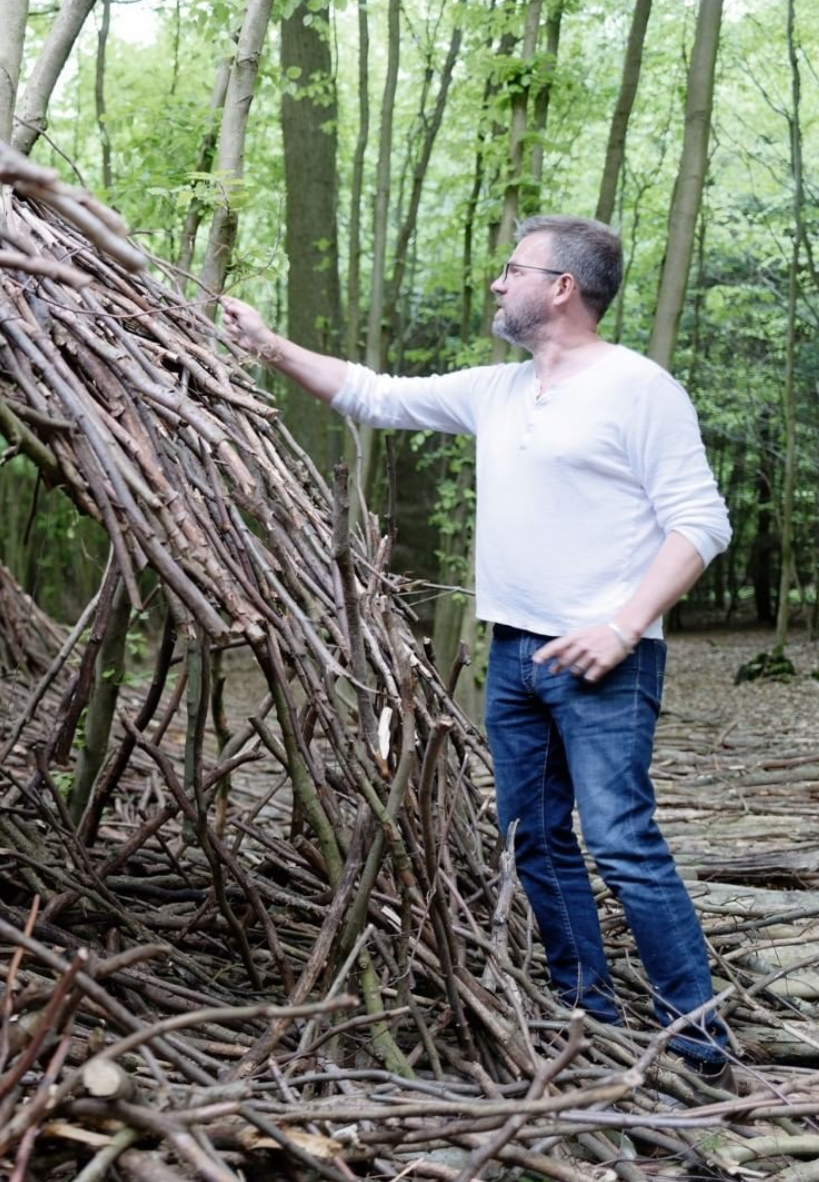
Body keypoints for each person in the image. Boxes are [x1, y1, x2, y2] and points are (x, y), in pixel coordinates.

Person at [221, 214, 734, 1082]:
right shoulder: (501, 389)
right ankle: (587, 1010)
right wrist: (270, 346)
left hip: (606, 663)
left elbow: (702, 523)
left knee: (621, 842)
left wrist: (619, 627)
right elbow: (374, 393)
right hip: (515, 657)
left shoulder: (640, 389)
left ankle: (700, 1035)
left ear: (562, 287)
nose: (498, 283)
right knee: (534, 836)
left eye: (514, 269)